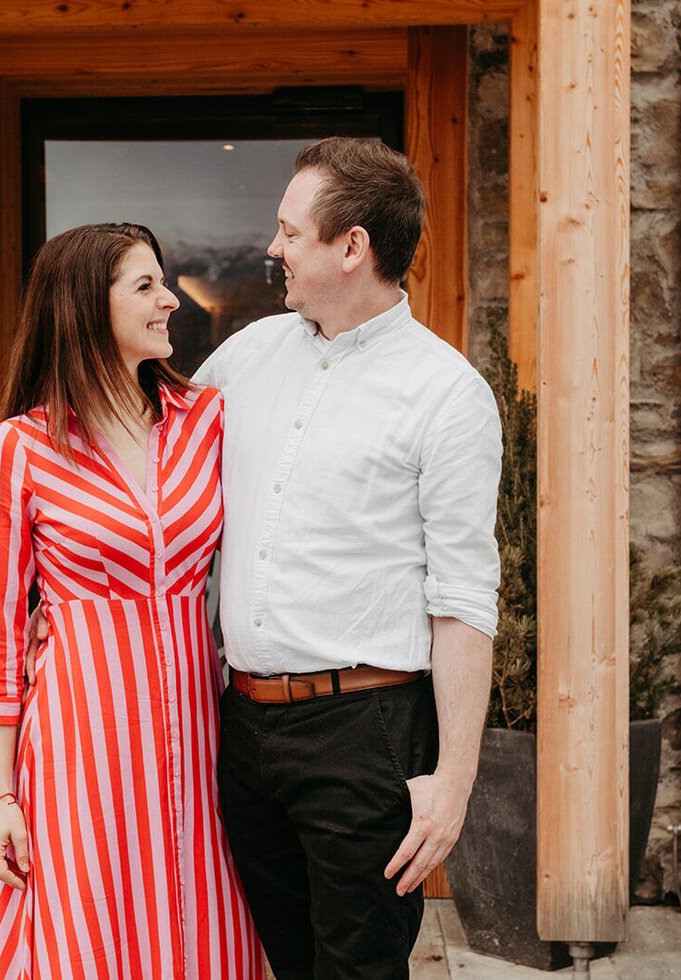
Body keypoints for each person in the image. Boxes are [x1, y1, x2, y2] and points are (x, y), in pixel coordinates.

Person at [194, 137, 502, 978]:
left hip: (364, 737)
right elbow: (150, 471)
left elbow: (464, 598)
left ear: (352, 247)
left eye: (291, 232)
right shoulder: (244, 358)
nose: (273, 249)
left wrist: (453, 780)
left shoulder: (446, 394)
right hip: (243, 727)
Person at [0, 222, 263, 979]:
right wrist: (2, 798)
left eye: (163, 281)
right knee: (91, 940)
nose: (171, 298)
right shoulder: (20, 448)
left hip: (203, 738)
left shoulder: (209, 423)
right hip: (79, 748)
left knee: (206, 932)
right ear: (83, 307)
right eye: (145, 286)